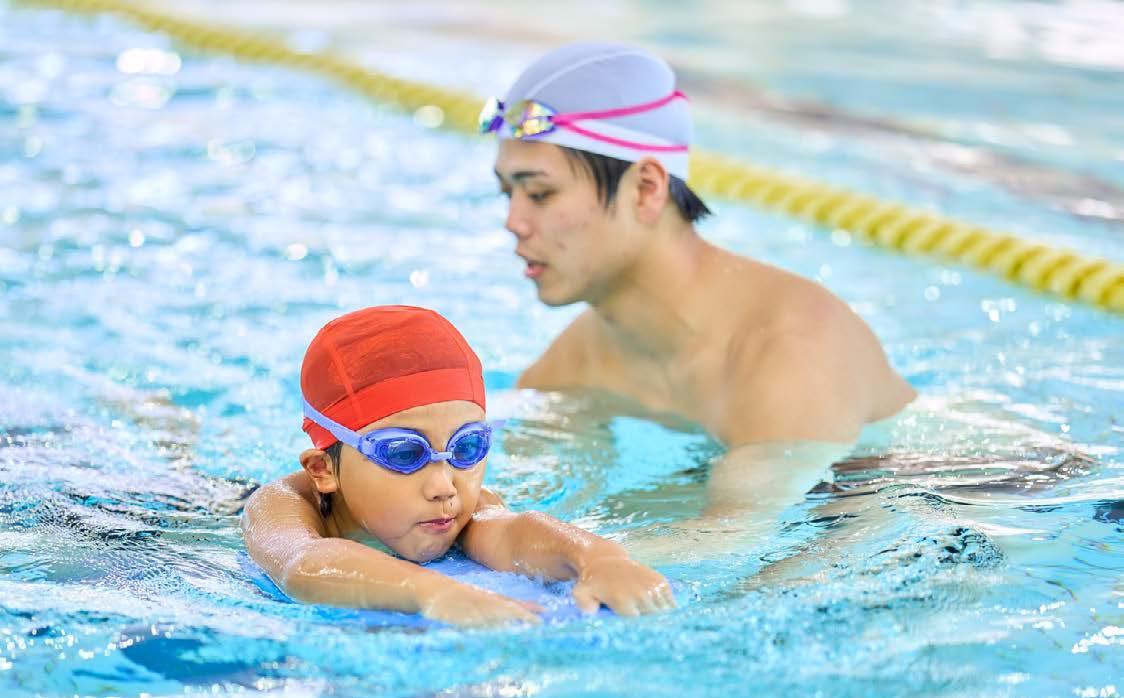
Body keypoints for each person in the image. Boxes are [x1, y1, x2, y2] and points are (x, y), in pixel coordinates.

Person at [481, 43, 918, 549]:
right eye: (507, 193)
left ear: (646, 188)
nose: (513, 221)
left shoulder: (793, 346)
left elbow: (732, 542)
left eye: (539, 193)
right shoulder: (577, 362)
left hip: (942, 501)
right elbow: (520, 505)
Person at [240, 305, 675, 626]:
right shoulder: (282, 505)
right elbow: (302, 564)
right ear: (323, 469)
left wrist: (599, 559)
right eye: (405, 453)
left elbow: (510, 531)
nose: (444, 486)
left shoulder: (455, 508)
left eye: (467, 447)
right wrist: (434, 593)